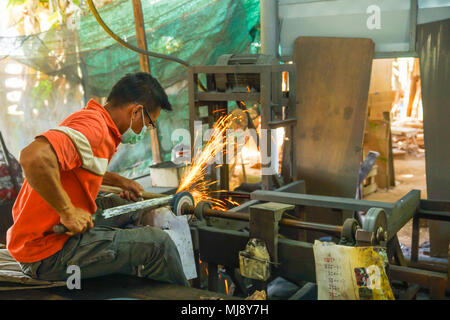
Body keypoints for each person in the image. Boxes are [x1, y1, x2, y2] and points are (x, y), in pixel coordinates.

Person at [6, 72, 189, 287]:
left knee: (126, 206)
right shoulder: (95, 130)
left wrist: (120, 181)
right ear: (137, 111)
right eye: (149, 123)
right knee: (158, 244)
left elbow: (76, 165)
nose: (146, 130)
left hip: (35, 235)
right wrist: (68, 211)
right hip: (45, 254)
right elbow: (32, 157)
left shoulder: (95, 119)